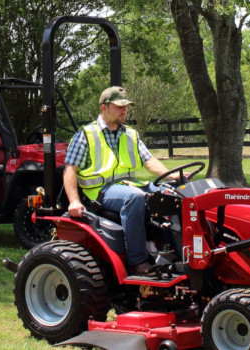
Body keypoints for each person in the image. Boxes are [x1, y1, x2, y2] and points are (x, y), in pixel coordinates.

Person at [63, 86, 178, 275]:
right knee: (134, 198)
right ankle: (137, 261)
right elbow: (70, 169)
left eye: (125, 106)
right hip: (100, 191)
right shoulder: (86, 134)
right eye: (118, 106)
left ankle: (177, 252)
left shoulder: (130, 134)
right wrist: (74, 201)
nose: (123, 110)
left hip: (127, 185)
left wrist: (171, 176)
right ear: (103, 108)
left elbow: (148, 161)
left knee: (172, 192)